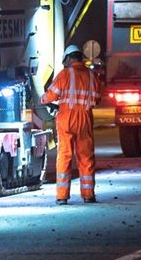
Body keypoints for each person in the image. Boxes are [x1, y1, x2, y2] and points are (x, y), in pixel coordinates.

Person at [42, 45, 101, 204]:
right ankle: (88, 195)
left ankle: (62, 196)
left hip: (66, 119)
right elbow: (96, 98)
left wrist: (43, 100)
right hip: (85, 119)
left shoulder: (64, 74)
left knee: (65, 156)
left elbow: (50, 95)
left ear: (68, 58)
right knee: (86, 157)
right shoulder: (92, 75)